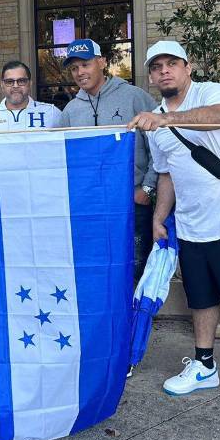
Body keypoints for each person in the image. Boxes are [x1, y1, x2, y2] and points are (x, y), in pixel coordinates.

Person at [127, 40, 220, 420]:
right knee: (202, 301)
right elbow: (166, 173)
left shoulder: (210, 92)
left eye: (171, 63)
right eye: (157, 66)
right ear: (151, 75)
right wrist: (160, 217)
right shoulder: (155, 122)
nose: (164, 70)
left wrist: (165, 120)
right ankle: (204, 366)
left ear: (187, 67)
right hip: (191, 227)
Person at [61, 39, 158, 280]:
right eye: (74, 68)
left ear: (102, 62)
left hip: (133, 201)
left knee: (135, 269)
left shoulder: (135, 97)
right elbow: (63, 159)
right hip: (91, 205)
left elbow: (161, 148)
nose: (80, 72)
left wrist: (147, 188)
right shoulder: (71, 111)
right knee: (98, 268)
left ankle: (136, 318)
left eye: (85, 64)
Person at [0, 61, 65, 133]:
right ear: (2, 85)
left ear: (30, 83)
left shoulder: (52, 112)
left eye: (21, 81)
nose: (15, 86)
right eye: (9, 81)